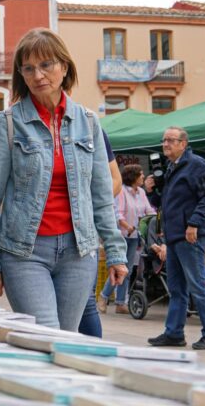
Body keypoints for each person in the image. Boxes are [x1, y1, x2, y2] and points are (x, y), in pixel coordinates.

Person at [0, 28, 128, 331]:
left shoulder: (88, 122)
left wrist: (115, 252)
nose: (38, 75)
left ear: (64, 67)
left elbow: (100, 194)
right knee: (44, 334)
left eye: (46, 65)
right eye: (29, 68)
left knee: (67, 339)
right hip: (25, 252)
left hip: (78, 252)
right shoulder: (6, 124)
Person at [145, 127, 205, 350]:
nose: (165, 144)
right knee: (177, 289)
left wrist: (194, 224)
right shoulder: (171, 167)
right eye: (163, 141)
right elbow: (162, 204)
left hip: (189, 235)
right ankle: (174, 334)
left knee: (197, 286)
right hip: (173, 236)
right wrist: (151, 192)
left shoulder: (196, 165)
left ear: (183, 143)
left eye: (171, 140)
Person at [77, 130, 122, 338]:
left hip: (82, 233)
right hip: (36, 238)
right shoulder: (17, 122)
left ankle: (94, 363)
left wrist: (84, 205)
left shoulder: (88, 126)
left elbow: (115, 180)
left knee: (85, 303)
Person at [98, 164, 155, 314]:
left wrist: (156, 219)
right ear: (133, 177)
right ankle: (103, 297)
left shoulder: (141, 192)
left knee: (128, 271)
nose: (143, 177)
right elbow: (118, 213)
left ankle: (120, 303)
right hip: (122, 236)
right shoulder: (122, 191)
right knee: (119, 269)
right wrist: (127, 225)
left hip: (136, 236)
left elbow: (148, 210)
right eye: (141, 174)